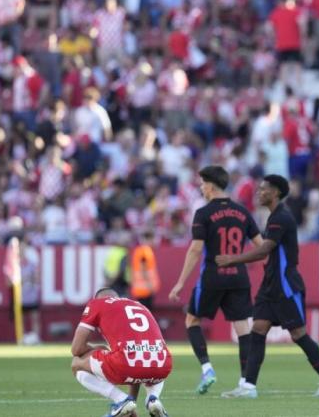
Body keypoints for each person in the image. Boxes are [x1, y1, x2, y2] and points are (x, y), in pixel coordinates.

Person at [215, 174, 319, 398]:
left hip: (285, 285)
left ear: (275, 193)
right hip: (270, 285)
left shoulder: (281, 217)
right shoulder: (275, 216)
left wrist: (232, 259)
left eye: (263, 189)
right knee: (258, 330)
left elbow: (264, 250)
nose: (258, 192)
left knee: (298, 334)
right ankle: (248, 386)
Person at [168, 166, 263, 394]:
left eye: (202, 184)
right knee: (243, 329)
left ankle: (207, 368)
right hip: (238, 277)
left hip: (212, 276)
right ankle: (245, 384)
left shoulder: (203, 213)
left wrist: (181, 282)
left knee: (192, 320)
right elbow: (262, 246)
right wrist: (241, 260)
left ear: (210, 185)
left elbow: (195, 249)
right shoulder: (242, 212)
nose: (201, 188)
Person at [70, 287, 171, 417]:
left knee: (77, 363)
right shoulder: (139, 305)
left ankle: (120, 399)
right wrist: (131, 404)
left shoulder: (98, 303)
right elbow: (138, 355)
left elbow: (76, 349)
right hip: (163, 363)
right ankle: (153, 398)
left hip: (128, 362)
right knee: (144, 359)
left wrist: (98, 348)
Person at [131, 230, 160, 310]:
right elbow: (143, 268)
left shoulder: (141, 250)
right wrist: (149, 284)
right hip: (145, 289)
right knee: (146, 311)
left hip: (141, 289)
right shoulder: (144, 251)